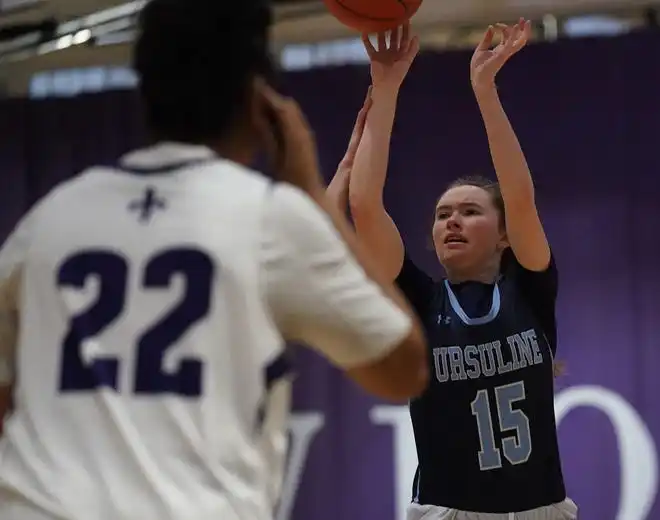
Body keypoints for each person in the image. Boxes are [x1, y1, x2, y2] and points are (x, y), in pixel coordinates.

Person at [0, 0, 431, 519]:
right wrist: (313, 196)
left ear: (144, 90)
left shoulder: (48, 219)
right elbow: (404, 368)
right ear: (259, 101)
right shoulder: (270, 218)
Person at [329, 19, 578, 520]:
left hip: (541, 511)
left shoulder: (528, 287)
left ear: (503, 233)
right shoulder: (421, 301)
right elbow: (365, 205)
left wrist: (485, 91)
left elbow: (521, 199)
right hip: (448, 512)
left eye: (469, 211)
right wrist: (386, 88)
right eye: (442, 214)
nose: (452, 222)